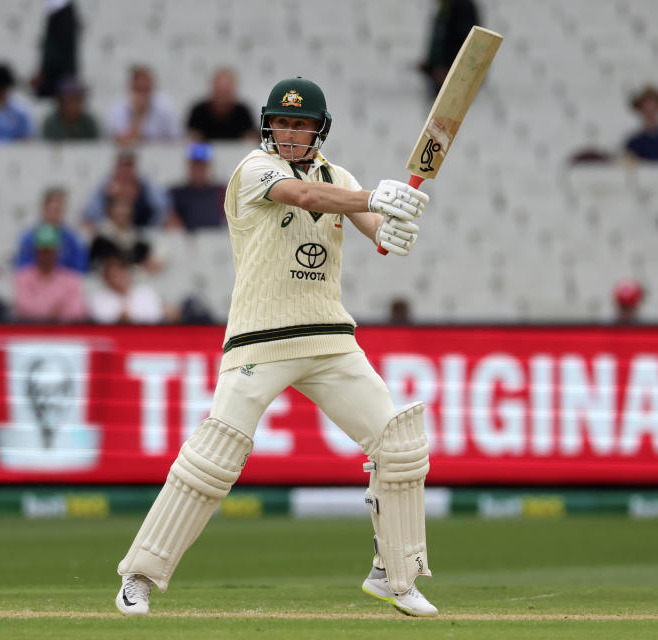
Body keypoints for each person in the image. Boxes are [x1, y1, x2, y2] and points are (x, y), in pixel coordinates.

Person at [113, 77, 436, 618]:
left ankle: (396, 576)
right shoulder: (254, 171)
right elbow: (305, 196)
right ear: (268, 125)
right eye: (282, 122)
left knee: (399, 442)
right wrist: (375, 197)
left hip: (329, 337)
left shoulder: (341, 176)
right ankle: (140, 575)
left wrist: (393, 227)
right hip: (259, 339)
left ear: (318, 130)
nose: (290, 133)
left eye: (301, 124)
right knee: (214, 456)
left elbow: (374, 228)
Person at [12, 225, 88, 322]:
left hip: (64, 334)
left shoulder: (71, 279)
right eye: (43, 250)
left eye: (50, 250)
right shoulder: (22, 278)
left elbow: (77, 311)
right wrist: (56, 308)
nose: (47, 254)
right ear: (35, 251)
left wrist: (44, 309)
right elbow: (25, 309)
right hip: (32, 333)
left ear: (58, 251)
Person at [82, 150, 170, 229]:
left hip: (142, 232)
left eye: (129, 166)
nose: (126, 170)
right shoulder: (104, 187)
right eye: (123, 166)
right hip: (110, 235)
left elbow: (162, 209)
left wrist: (152, 228)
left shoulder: (145, 185)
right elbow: (89, 213)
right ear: (116, 167)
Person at [15, 187, 89, 273]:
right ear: (44, 208)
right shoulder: (29, 237)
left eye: (60, 207)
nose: (57, 211)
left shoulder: (73, 239)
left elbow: (80, 268)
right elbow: (22, 268)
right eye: (54, 207)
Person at [105, 65, 181, 144]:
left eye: (145, 89)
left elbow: (176, 139)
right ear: (131, 87)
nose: (142, 95)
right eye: (138, 89)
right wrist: (138, 115)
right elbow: (121, 141)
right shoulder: (118, 107)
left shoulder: (166, 106)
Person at [419, 0, 480, 95]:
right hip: (440, 73)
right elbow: (440, 40)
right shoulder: (444, 6)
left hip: (452, 75)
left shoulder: (462, 6)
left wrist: (448, 68)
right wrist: (431, 65)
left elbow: (466, 41)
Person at [88, 251, 164, 324]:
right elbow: (100, 322)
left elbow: (156, 318)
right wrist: (119, 319)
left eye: (120, 273)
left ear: (127, 272)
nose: (118, 279)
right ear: (106, 279)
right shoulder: (98, 299)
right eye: (113, 276)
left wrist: (133, 319)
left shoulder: (147, 292)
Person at [166, 142, 226, 230]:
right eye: (195, 166)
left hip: (216, 240)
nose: (198, 171)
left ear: (209, 167)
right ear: (189, 167)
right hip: (187, 241)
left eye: (202, 166)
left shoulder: (221, 192)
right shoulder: (175, 194)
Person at [186, 68, 257, 141]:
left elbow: (251, 139)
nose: (222, 97)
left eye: (226, 92)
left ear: (233, 90)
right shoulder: (198, 111)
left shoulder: (243, 112)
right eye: (219, 91)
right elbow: (190, 138)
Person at [88, 197, 156, 269]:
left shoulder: (140, 239)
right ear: (109, 210)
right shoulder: (99, 238)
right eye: (118, 207)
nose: (123, 211)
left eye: (126, 207)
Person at [32, 0, 79, 98]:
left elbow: (54, 52)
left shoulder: (62, 15)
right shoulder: (65, 13)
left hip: (59, 79)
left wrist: (44, 72)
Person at [625, 85, 658, 161]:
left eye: (653, 104)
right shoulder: (634, 142)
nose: (650, 108)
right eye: (646, 104)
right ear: (640, 108)